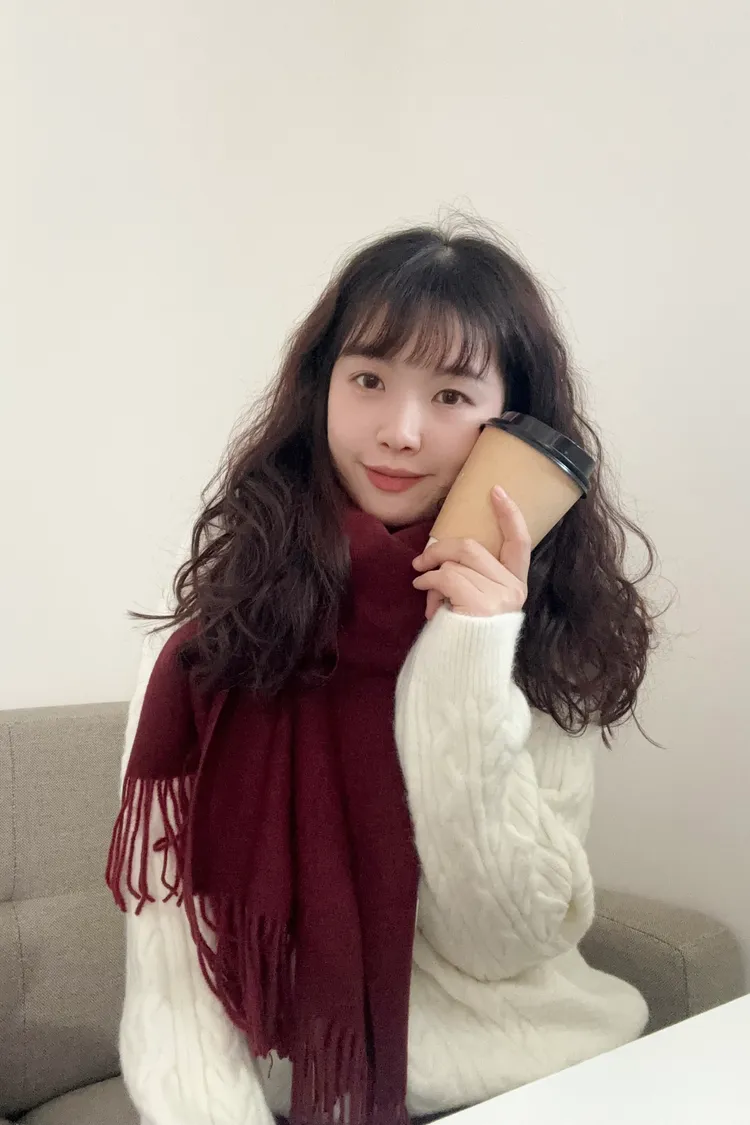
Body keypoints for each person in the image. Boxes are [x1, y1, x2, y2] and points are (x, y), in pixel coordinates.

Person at [107, 223, 656, 1125]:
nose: (399, 432)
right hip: (321, 1092)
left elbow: (502, 943)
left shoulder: (542, 635)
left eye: (451, 394)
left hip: (554, 1078)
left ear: (513, 422)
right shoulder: (213, 641)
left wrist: (470, 657)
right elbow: (176, 989)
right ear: (321, 386)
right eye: (368, 380)